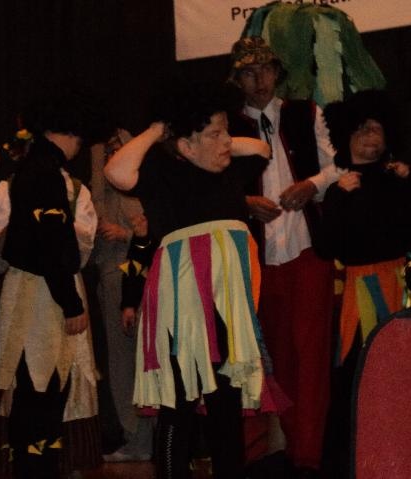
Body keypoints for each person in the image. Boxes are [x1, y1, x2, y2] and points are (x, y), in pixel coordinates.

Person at [104, 89, 276, 479]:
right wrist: (159, 130)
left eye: (226, 131)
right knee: (178, 400)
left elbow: (261, 149)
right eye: (215, 134)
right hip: (182, 307)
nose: (226, 141)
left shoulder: (232, 169)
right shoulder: (161, 172)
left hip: (226, 305)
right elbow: (116, 172)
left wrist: (215, 137)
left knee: (225, 400)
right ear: (184, 144)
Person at [227, 36, 338, 477]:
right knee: (273, 357)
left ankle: (308, 454)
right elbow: (211, 186)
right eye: (249, 73)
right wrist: (244, 202)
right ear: (237, 79)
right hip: (257, 259)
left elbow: (339, 164)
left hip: (307, 250)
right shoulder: (227, 126)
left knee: (311, 355)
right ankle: (282, 450)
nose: (259, 80)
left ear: (277, 73)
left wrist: (312, 184)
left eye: (266, 70)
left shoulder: (305, 112)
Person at [0, 93, 98, 479]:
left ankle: (38, 466)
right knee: (41, 388)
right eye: (75, 134)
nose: (79, 144)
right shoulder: (44, 174)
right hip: (39, 293)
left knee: (44, 388)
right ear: (57, 132)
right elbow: (51, 241)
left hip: (37, 287)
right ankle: (35, 469)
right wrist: (71, 303)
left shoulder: (34, 171)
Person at [320, 89, 411, 478]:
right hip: (361, 295)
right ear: (347, 136)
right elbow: (325, 248)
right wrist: (339, 199)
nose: (371, 135)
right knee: (359, 377)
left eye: (377, 128)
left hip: (400, 285)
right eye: (362, 129)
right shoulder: (339, 190)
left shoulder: (399, 180)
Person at [89, 129, 155, 462]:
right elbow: (97, 202)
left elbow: (154, 232)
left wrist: (125, 233)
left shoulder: (141, 187)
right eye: (107, 151)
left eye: (119, 149)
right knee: (121, 364)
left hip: (138, 276)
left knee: (144, 363)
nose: (111, 155)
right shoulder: (101, 193)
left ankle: (149, 439)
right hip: (112, 277)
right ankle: (136, 436)